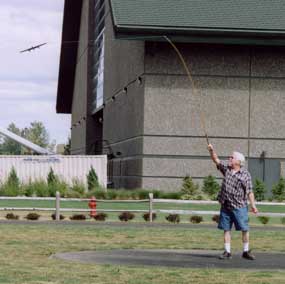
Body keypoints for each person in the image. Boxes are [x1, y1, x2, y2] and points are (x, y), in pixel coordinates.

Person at [207, 144, 258, 260]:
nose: (229, 159)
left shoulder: (245, 175)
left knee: (244, 229)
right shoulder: (227, 170)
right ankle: (227, 252)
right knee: (226, 229)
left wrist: (253, 205)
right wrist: (211, 150)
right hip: (226, 206)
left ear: (238, 162)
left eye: (232, 157)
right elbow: (216, 160)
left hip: (239, 206)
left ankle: (245, 251)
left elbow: (250, 191)